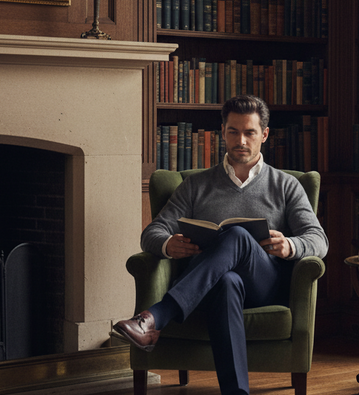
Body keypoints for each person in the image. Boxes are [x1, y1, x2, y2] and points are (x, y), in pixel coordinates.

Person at [113, 94, 329, 395]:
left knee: (238, 236)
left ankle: (155, 317)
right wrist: (167, 245)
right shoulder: (195, 186)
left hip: (263, 287)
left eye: (250, 132)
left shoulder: (286, 185)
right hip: (208, 290)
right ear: (222, 133)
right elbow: (152, 232)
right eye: (233, 131)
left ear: (264, 135)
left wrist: (290, 246)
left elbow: (319, 240)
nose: (241, 140)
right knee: (227, 280)